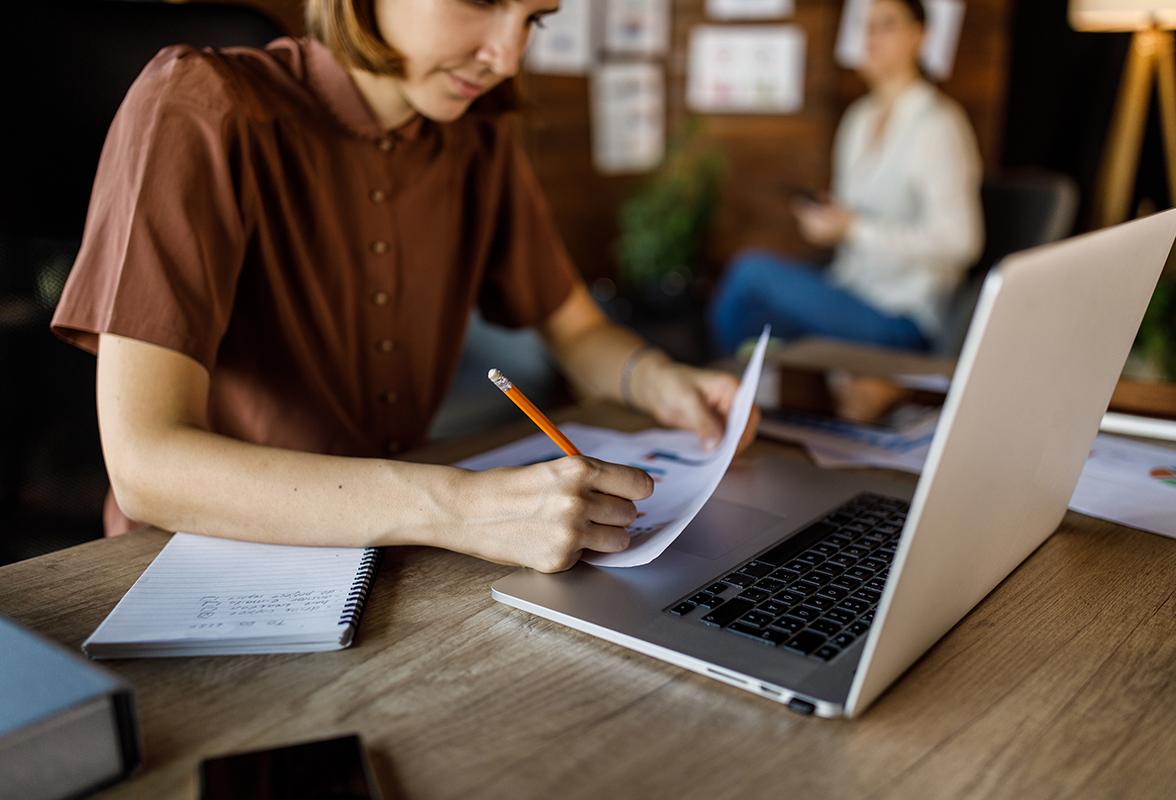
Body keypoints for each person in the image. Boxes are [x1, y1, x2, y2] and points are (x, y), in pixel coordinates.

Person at [51, 0, 757, 574]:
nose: (508, 57)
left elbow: (574, 329)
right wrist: (457, 506)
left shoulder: (479, 136)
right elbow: (147, 464)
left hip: (396, 560)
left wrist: (663, 382)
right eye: (481, 3)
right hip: (206, 563)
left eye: (535, 20)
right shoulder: (199, 105)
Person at [708, 0, 983, 356]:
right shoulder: (859, 119)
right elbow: (850, 219)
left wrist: (854, 228)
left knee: (749, 274)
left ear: (919, 36)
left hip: (901, 314)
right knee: (750, 316)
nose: (871, 38)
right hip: (848, 289)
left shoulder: (939, 125)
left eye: (887, 26)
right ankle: (747, 395)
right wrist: (830, 221)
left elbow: (961, 241)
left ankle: (724, 402)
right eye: (866, 27)